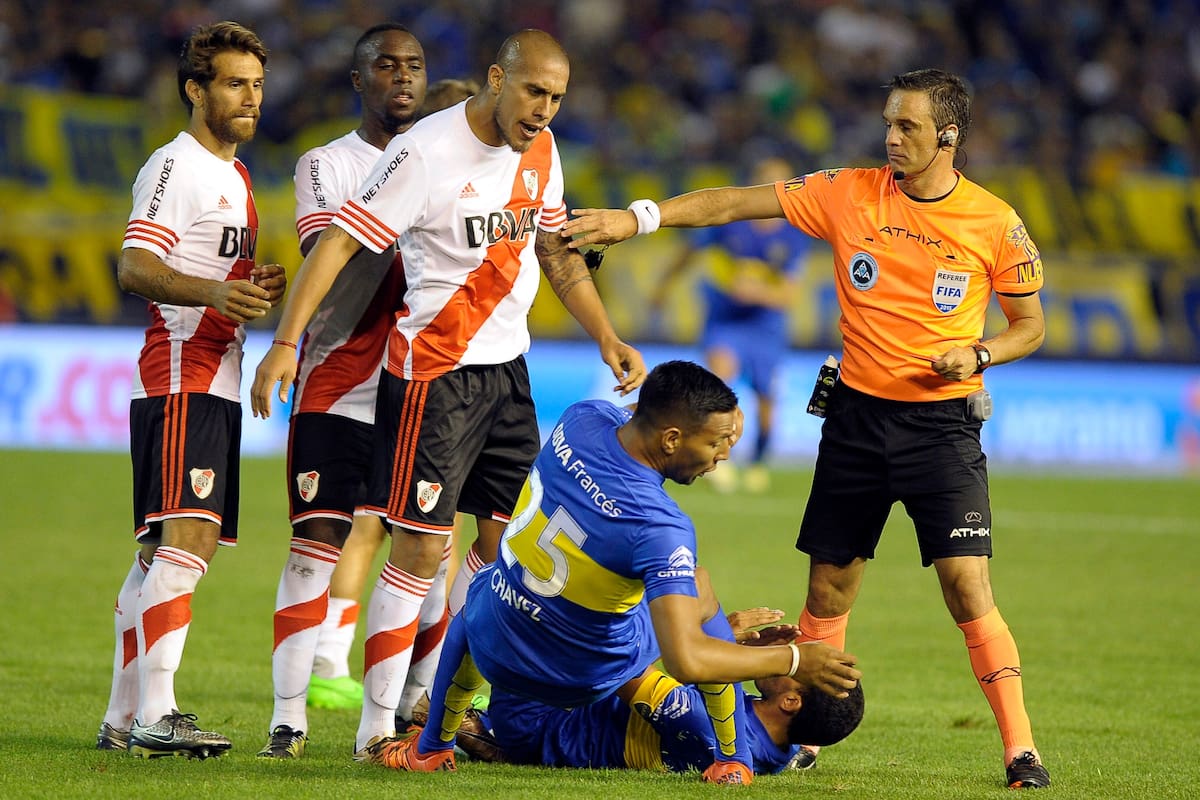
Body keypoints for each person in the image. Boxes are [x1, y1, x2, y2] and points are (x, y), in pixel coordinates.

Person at [561, 68, 1051, 790]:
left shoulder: (995, 222)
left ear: (947, 136)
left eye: (908, 126)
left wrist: (979, 353)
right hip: (855, 419)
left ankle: (1020, 748)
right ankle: (811, 733)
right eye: (889, 121)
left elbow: (1031, 325)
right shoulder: (848, 190)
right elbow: (731, 202)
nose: (891, 136)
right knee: (828, 592)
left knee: (965, 586)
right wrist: (636, 220)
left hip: (941, 427)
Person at [250, 29, 647, 763]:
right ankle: (376, 732)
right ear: (498, 78)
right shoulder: (424, 153)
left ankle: (437, 707)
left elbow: (554, 253)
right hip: (434, 374)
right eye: (534, 92)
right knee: (421, 546)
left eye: (557, 98)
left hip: (510, 375)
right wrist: (284, 343)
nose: (544, 111)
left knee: (497, 552)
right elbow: (337, 245)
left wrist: (605, 335)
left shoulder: (544, 150)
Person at [388, 360, 862, 785]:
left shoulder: (579, 419)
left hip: (496, 640)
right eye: (717, 442)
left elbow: (632, 416)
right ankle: (731, 763)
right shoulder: (661, 526)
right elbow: (689, 664)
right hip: (577, 680)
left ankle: (431, 747)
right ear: (672, 438)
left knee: (483, 592)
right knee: (693, 588)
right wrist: (794, 662)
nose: (722, 458)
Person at [95, 20, 284, 758]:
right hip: (183, 372)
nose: (251, 99)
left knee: (158, 551)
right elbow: (135, 265)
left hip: (215, 376)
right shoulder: (174, 165)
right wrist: (213, 291)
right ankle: (157, 712)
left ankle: (121, 718)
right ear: (194, 90)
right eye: (235, 84)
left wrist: (247, 284)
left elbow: (213, 276)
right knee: (189, 538)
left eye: (258, 85)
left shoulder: (233, 175)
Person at [259, 23, 442, 759]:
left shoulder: (443, 160)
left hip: (424, 389)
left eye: (415, 66)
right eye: (386, 66)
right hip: (337, 385)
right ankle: (288, 717)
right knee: (316, 544)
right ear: (358, 81)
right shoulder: (325, 164)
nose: (402, 77)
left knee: (424, 551)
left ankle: (393, 719)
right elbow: (327, 254)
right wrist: (409, 217)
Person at [300, 71, 484, 723]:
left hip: (419, 380)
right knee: (392, 529)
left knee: (408, 532)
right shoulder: (425, 181)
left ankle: (400, 677)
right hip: (400, 379)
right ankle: (347, 667)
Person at [470, 608, 865, 775]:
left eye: (798, 665)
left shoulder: (706, 727)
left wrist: (707, 630)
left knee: (576, 603)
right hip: (577, 700)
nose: (788, 654)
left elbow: (619, 668)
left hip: (539, 720)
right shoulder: (781, 745)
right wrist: (734, 653)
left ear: (791, 701)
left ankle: (455, 716)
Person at [651, 155, 812, 494]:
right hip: (725, 320)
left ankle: (757, 463)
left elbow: (788, 295)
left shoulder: (793, 236)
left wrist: (755, 292)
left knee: (766, 399)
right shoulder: (731, 225)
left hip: (765, 326)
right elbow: (688, 252)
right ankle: (714, 458)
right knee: (719, 383)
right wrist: (663, 287)